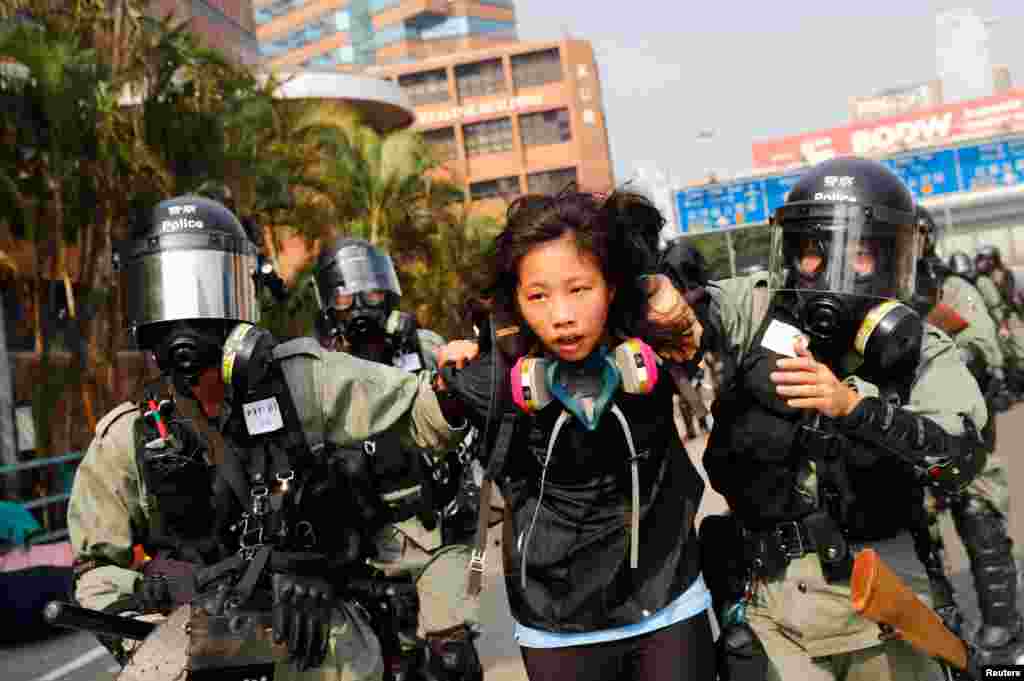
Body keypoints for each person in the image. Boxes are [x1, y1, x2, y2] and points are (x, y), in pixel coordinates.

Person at [67, 196, 469, 680]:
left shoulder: (306, 382)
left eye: (209, 288)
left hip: (318, 637)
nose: (187, 319)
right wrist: (149, 631)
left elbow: (418, 410)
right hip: (194, 644)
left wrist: (454, 386)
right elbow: (96, 571)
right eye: (167, 292)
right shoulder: (127, 434)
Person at [694, 157, 990, 681]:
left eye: (858, 254)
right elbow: (687, 313)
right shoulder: (759, 311)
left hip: (884, 609)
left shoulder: (925, 350)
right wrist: (664, 293)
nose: (829, 274)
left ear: (891, 258)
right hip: (772, 611)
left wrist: (854, 409)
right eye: (812, 253)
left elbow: (960, 457)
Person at [436, 189, 715, 681]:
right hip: (556, 624)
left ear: (610, 287)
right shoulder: (492, 377)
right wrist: (453, 377)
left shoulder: (657, 334)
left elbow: (735, 306)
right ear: (517, 303)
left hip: (667, 601)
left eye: (579, 289)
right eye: (538, 296)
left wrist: (663, 292)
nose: (561, 315)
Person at [312, 236, 483, 681]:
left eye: (372, 292)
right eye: (348, 296)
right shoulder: (321, 370)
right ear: (330, 304)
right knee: (392, 668)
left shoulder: (426, 347)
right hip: (365, 544)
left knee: (452, 660)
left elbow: (469, 408)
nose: (362, 306)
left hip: (442, 532)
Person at [912, 209, 1022, 663]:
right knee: (918, 534)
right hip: (902, 433)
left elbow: (981, 351)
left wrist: (935, 350)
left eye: (918, 234)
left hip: (961, 429)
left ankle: (1002, 624)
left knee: (979, 513)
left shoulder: (952, 289)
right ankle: (942, 632)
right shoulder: (876, 292)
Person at [975, 244, 1024, 395]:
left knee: (1020, 352)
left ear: (992, 260)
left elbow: (1008, 299)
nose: (979, 263)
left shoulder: (1004, 274)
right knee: (1006, 355)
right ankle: (1015, 389)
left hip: (1010, 318)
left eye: (984, 259)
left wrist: (1004, 323)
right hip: (997, 321)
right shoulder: (982, 278)